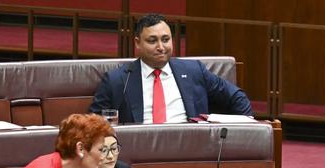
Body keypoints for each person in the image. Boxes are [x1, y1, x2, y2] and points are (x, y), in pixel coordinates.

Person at [89, 13, 252, 123]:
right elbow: (92, 123)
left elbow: (236, 97)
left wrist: (244, 132)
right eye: (152, 41)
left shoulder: (194, 70)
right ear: (137, 43)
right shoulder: (117, 80)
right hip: (139, 152)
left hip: (190, 149)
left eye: (166, 39)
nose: (161, 47)